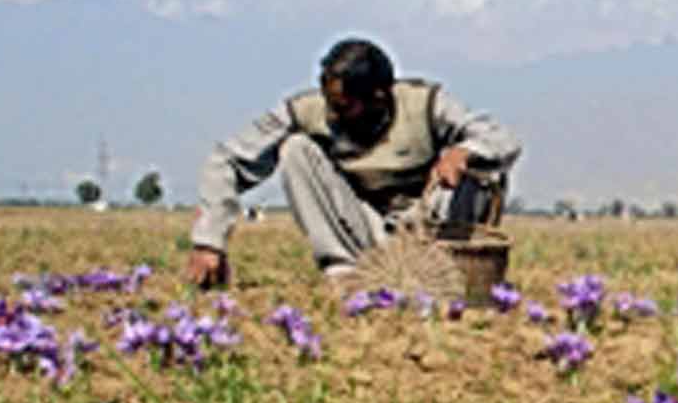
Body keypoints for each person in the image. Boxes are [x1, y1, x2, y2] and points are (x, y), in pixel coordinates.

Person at [186, 38, 522, 286]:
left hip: (433, 226)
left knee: (482, 168)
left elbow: (503, 140)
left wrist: (464, 153)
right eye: (330, 103)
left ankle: (455, 275)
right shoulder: (305, 111)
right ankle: (346, 275)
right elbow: (227, 160)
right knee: (296, 149)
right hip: (369, 230)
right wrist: (209, 241)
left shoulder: (427, 104)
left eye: (344, 107)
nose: (333, 114)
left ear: (379, 96)